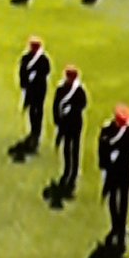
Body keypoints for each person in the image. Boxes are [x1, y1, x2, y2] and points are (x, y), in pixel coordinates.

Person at [98, 104, 129, 248]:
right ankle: (116, 224)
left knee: (124, 199)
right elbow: (102, 149)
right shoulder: (107, 130)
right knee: (113, 198)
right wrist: (104, 166)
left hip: (124, 170)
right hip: (112, 170)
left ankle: (121, 226)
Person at [53, 66, 90, 194]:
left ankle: (74, 171)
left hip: (75, 123)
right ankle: (67, 169)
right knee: (66, 148)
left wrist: (72, 108)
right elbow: (55, 105)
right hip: (64, 124)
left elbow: (83, 104)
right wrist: (57, 120)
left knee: (75, 148)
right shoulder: (61, 88)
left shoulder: (79, 90)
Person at [20, 36, 52, 150]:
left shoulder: (43, 59)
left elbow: (46, 71)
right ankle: (33, 131)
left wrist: (35, 75)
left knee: (38, 111)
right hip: (30, 89)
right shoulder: (26, 57)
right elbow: (22, 72)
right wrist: (24, 85)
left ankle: (36, 133)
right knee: (31, 111)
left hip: (39, 89)